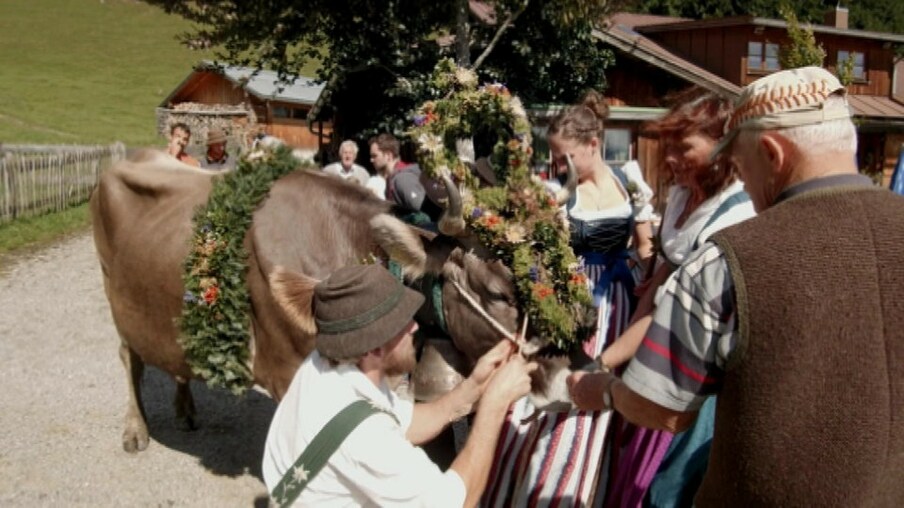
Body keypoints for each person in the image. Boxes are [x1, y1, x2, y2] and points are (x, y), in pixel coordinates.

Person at [568, 66, 904, 506]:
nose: (740, 178)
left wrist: (607, 390)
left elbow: (662, 407)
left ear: (772, 152)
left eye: (741, 164)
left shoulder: (727, 259)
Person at [483, 91, 655, 507]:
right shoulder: (556, 192)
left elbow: (646, 248)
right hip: (566, 298)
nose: (560, 166)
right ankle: (521, 489)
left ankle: (569, 491)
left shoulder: (630, 181)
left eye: (567, 157)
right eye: (556, 158)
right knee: (544, 391)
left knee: (589, 395)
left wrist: (644, 284)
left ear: (594, 145)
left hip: (614, 302)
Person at [262, 264, 537, 507]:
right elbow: (457, 501)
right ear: (374, 350)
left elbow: (403, 423)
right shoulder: (367, 438)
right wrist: (494, 407)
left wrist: (474, 388)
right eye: (401, 323)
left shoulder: (329, 366)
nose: (414, 328)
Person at [599, 90, 755, 508]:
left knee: (672, 480)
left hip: (695, 368)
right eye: (667, 147)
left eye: (683, 147)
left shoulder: (737, 214)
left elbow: (673, 311)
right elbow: (663, 274)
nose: (670, 158)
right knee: (635, 466)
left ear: (724, 143)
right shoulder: (683, 197)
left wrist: (604, 363)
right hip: (660, 347)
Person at [369, 133, 442, 222]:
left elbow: (426, 218)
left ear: (388, 155)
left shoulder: (402, 180)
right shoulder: (391, 180)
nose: (371, 160)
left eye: (374, 156)